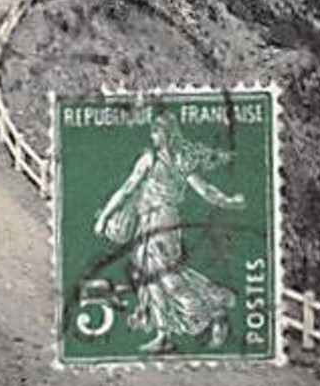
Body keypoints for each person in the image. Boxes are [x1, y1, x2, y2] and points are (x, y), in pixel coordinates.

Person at [92, 113, 246, 353]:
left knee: (167, 277)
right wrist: (105, 217)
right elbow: (127, 189)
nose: (154, 136)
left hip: (162, 222)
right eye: (153, 131)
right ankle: (164, 334)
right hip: (148, 221)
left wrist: (228, 201)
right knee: (149, 276)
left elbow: (203, 189)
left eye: (158, 131)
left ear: (169, 132)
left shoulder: (176, 159)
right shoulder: (155, 158)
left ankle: (213, 308)